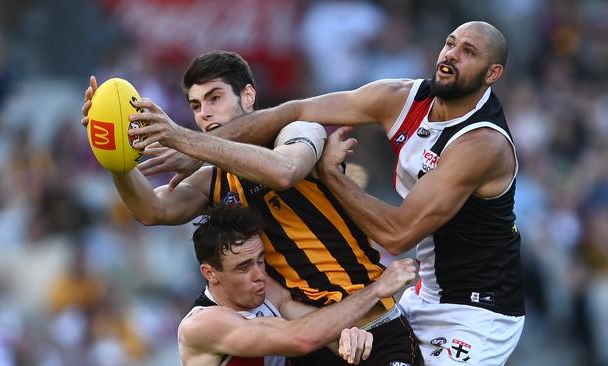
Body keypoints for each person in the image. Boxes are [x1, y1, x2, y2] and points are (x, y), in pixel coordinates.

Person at [133, 21, 524, 365]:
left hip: (477, 307)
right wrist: (179, 148)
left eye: (468, 52)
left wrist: (330, 174)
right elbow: (295, 108)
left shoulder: (481, 145)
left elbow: (398, 234)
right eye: (450, 43)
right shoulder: (399, 97)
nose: (451, 55)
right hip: (417, 296)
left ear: (493, 73)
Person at [81, 51, 422, 366]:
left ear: (248, 96)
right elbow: (152, 210)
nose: (204, 113)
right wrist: (115, 157)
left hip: (373, 324)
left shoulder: (297, 131)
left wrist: (184, 140)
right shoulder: (211, 178)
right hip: (305, 336)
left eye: (214, 98)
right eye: (196, 106)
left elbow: (284, 171)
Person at [179, 205, 417, 366]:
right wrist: (376, 289)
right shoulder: (202, 324)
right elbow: (301, 338)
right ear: (210, 273)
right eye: (243, 267)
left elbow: (311, 322)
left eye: (260, 260)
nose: (259, 274)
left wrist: (347, 338)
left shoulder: (265, 288)